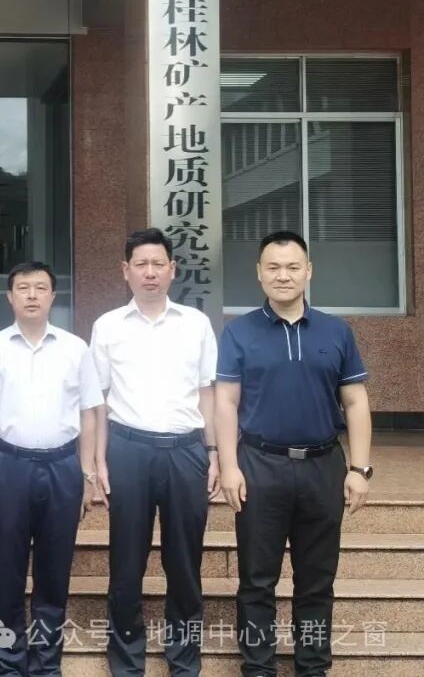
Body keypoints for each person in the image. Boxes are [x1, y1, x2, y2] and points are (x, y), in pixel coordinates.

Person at [215, 231, 373, 676]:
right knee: (256, 580)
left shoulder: (336, 332)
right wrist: (229, 466)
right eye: (273, 267)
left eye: (292, 267)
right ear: (259, 273)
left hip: (323, 467)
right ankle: (257, 667)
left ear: (308, 271)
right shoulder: (239, 332)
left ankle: (312, 667)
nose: (283, 276)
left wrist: (360, 468)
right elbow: (225, 402)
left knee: (317, 581)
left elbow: (355, 402)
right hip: (259, 466)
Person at [90, 229, 219, 676]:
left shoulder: (195, 324)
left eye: (158, 264)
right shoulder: (107, 326)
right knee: (126, 563)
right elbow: (97, 401)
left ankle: (184, 660)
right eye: (141, 264)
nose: (150, 272)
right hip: (128, 450)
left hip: (186, 451)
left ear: (172, 270)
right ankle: (127, 663)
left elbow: (207, 393)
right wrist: (98, 462)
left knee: (184, 562)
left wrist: (214, 453)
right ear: (125, 271)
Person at [0, 261, 101, 676]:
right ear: (9, 297)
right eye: (23, 288)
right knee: (6, 570)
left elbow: (89, 413)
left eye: (40, 288)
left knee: (54, 571)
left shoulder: (75, 348)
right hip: (8, 466)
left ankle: (46, 664)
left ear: (52, 296)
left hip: (62, 466)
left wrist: (88, 474)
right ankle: (9, 664)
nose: (32, 295)